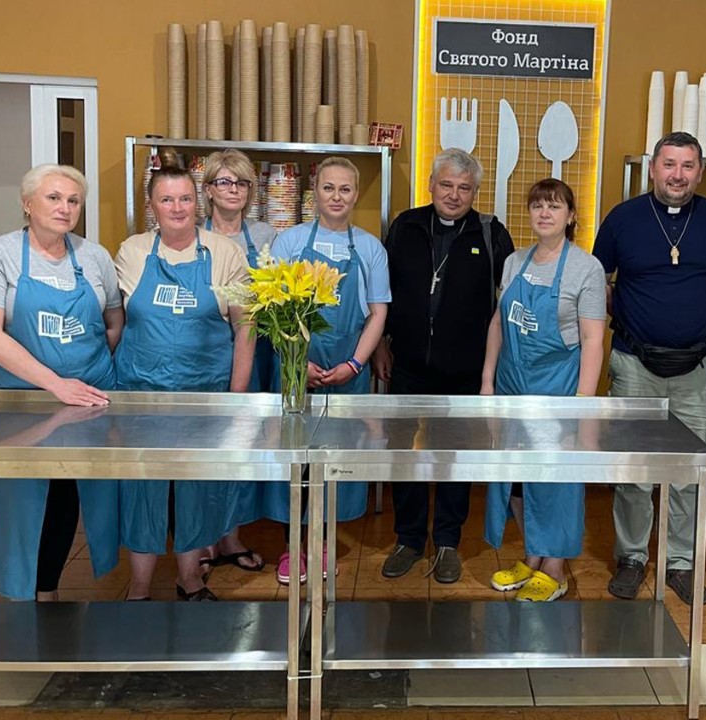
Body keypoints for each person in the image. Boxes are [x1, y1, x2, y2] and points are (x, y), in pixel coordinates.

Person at [0, 163, 124, 602]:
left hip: (88, 399)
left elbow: (114, 321)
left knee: (68, 490)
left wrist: (88, 371)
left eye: (73, 200)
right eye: (53, 198)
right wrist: (57, 382)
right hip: (22, 401)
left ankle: (48, 590)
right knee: (23, 494)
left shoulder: (93, 256)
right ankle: (22, 595)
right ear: (27, 203)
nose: (65, 208)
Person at [592, 131, 706, 605]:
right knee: (633, 469)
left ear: (700, 172)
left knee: (689, 470)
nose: (677, 175)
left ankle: (681, 562)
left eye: (688, 166)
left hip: (698, 366)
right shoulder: (622, 218)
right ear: (652, 168)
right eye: (669, 164)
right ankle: (632, 557)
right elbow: (600, 282)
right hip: (636, 363)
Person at [113, 165, 255, 601]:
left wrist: (236, 397)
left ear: (198, 202)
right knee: (142, 487)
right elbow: (115, 321)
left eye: (185, 198)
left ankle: (190, 577)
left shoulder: (225, 253)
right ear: (152, 206)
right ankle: (139, 585)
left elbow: (245, 328)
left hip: (204, 397)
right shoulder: (133, 251)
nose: (177, 208)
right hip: (142, 394)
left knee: (197, 487)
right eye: (167, 199)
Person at [373, 148, 515, 583]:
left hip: (465, 369)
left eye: (464, 188)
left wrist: (494, 369)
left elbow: (505, 305)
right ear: (431, 185)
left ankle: (448, 541)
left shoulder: (491, 233)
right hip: (408, 363)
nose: (454, 195)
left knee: (456, 459)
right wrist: (380, 345)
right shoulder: (406, 226)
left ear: (476, 192)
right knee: (406, 455)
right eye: (447, 185)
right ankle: (409, 538)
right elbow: (383, 293)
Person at [264, 156, 390, 584]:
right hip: (296, 367)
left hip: (348, 370)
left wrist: (355, 363)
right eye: (328, 188)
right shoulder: (289, 242)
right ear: (314, 192)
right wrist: (297, 361)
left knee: (335, 461)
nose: (337, 197)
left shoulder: (370, 249)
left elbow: (378, 313)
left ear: (356, 195)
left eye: (346, 189)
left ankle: (322, 544)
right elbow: (275, 310)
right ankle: (292, 548)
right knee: (295, 459)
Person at [481, 179, 606, 602]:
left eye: (554, 206)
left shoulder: (586, 268)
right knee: (515, 478)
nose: (545, 213)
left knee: (556, 480)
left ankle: (555, 567)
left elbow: (592, 340)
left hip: (558, 390)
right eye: (537, 206)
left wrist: (583, 405)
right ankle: (533, 553)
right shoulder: (514, 262)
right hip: (511, 386)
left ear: (571, 216)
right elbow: (499, 323)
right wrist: (487, 382)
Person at [198, 149, 277, 575]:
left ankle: (230, 534)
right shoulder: (193, 234)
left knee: (241, 446)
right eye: (225, 182)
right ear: (208, 189)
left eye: (242, 182)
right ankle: (203, 538)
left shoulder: (265, 235)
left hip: (256, 351)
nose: (234, 190)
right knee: (206, 449)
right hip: (206, 351)